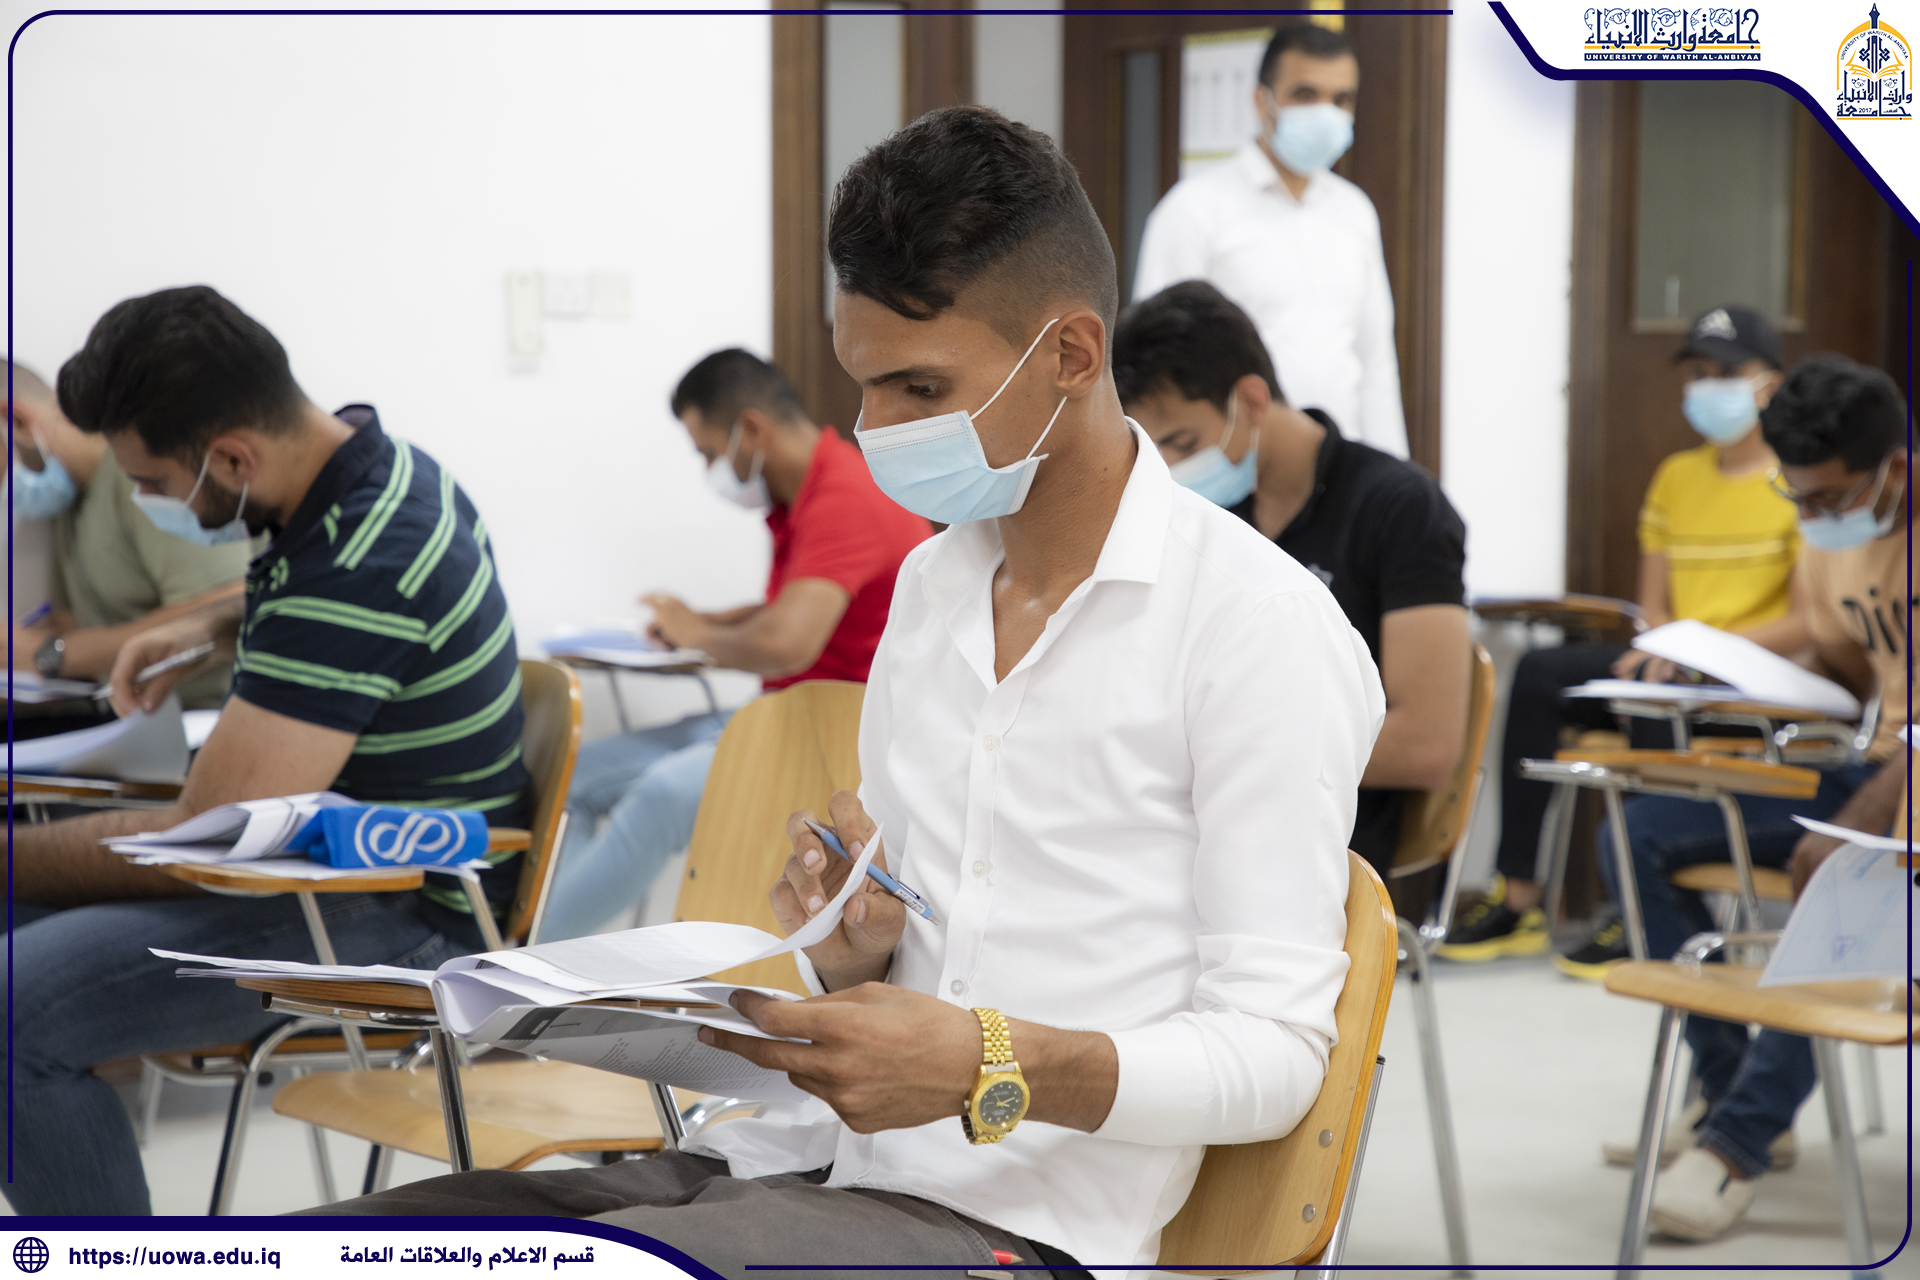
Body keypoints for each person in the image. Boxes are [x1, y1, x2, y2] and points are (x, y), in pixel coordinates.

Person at [313, 105, 1385, 1280]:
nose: (876, 429)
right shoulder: (934, 589)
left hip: (1021, 1224)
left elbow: (1275, 1053)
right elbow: (912, 958)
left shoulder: (1254, 627)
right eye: (865, 385)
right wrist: (852, 948)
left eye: (920, 385)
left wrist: (985, 1058)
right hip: (797, 1161)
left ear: (1072, 356)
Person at [3, 285, 529, 1216]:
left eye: (151, 483)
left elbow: (198, 842)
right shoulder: (375, 473)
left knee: (12, 1018)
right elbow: (307, 595)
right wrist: (211, 620)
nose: (145, 500)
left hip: (398, 910)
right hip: (338, 860)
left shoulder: (361, 558)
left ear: (233, 458)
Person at [1600, 354, 1908, 1243]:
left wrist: (1863, 816)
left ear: (1894, 469)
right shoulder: (1831, 539)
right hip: (1872, 761)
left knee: (1840, 872)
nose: (1813, 518)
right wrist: (1713, 668)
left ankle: (1735, 1143)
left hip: (1903, 786)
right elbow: (1841, 662)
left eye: (1830, 498)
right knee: (1635, 835)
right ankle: (1727, 1082)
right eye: (1796, 498)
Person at [1439, 305, 1806, 970]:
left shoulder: (1796, 480)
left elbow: (1806, 621)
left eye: (1726, 372)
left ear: (1769, 384)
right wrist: (1665, 648)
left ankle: (1635, 903)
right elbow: (1653, 604)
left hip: (1751, 676)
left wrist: (1703, 656)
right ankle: (1517, 894)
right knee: (1543, 674)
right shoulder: (1676, 477)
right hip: (1680, 661)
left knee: (1653, 693)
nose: (1708, 386)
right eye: (1698, 373)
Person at [539, 349, 930, 941]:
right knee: (575, 774)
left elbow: (788, 642)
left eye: (707, 452)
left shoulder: (846, 497)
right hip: (783, 711)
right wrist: (706, 621)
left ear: (750, 430)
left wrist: (696, 634)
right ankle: (550, 945)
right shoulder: (805, 493)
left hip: (832, 732)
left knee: (660, 795)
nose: (708, 468)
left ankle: (526, 963)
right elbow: (799, 602)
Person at [1112, 279, 1468, 911]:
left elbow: (1426, 746)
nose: (1166, 471)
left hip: (1332, 846)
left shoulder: (1398, 507)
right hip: (1186, 824)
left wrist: (1224, 751)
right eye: (1150, 450)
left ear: (1250, 399)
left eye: (1183, 444)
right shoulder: (1204, 518)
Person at [1132, 23, 1407, 458]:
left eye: (1341, 99)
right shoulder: (1193, 210)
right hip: (1235, 466)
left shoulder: (1355, 212)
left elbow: (1375, 364)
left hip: (1338, 465)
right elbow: (1158, 364)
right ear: (1262, 101)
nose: (1326, 113)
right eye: (1305, 95)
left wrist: (1390, 470)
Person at [7, 359, 253, 712]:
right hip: (137, 716)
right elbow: (91, 621)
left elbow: (231, 600)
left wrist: (49, 654)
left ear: (15, 419)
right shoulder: (69, 502)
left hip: (210, 712)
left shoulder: (144, 475)